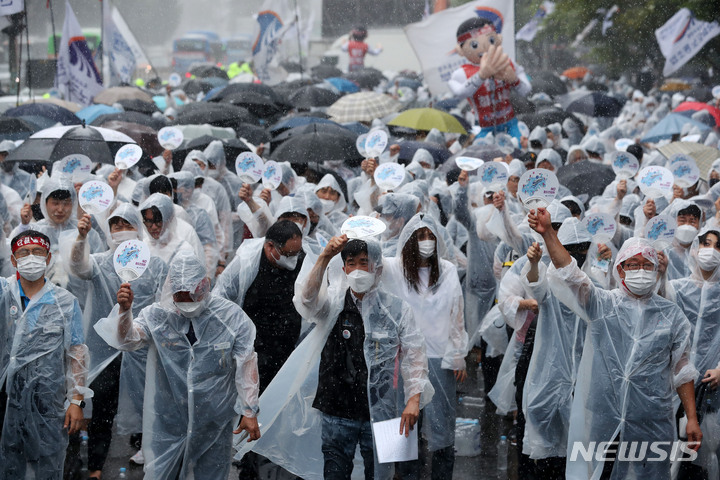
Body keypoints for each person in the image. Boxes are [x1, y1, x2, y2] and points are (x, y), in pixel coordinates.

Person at [528, 207, 702, 479]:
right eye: (633, 265)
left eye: (647, 265)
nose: (640, 271)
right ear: (620, 269)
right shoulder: (603, 304)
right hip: (605, 415)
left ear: (656, 270)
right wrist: (549, 232)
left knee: (651, 474)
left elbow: (682, 370)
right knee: (601, 472)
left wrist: (691, 417)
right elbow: (571, 274)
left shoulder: (672, 315)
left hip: (652, 418)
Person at [94, 251, 261, 480]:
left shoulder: (231, 317)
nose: (187, 303)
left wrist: (249, 410)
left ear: (205, 285)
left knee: (211, 473)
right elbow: (128, 341)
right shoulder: (158, 314)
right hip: (169, 417)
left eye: (193, 295)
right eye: (180, 296)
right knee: (162, 473)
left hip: (214, 417)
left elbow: (246, 363)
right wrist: (125, 312)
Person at [295, 235, 433, 480]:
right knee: (335, 472)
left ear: (377, 269)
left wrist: (413, 400)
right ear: (344, 268)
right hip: (337, 408)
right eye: (351, 263)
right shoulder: (333, 304)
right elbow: (306, 300)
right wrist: (325, 257)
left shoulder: (397, 309)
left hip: (385, 411)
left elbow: (415, 355)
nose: (358, 270)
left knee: (384, 474)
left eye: (364, 262)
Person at [68, 205, 168, 476]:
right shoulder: (100, 261)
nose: (121, 231)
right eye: (115, 226)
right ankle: (96, 466)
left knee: (148, 406)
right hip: (105, 349)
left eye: (127, 224)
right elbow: (78, 267)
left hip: (141, 348)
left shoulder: (156, 264)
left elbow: (164, 305)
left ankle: (155, 460)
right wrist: (81, 238)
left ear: (138, 227)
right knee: (101, 407)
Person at [382, 213, 467, 479]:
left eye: (431, 235)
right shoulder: (395, 269)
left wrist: (458, 354)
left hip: (438, 357)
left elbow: (457, 313)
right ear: (409, 240)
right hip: (402, 360)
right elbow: (369, 263)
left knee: (442, 429)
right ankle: (403, 475)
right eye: (420, 236)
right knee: (401, 426)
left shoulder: (448, 270)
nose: (427, 241)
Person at [0, 230, 91, 479]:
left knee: (48, 463)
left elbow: (77, 353)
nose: (31, 257)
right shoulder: (3, 293)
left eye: (38, 252)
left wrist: (76, 401)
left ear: (48, 257)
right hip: (4, 397)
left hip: (46, 402)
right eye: (24, 253)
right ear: (13, 259)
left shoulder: (64, 302)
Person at [213, 220, 305, 391]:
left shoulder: (300, 257)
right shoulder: (246, 263)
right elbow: (220, 300)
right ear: (270, 246)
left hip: (287, 344)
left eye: (296, 254)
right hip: (255, 347)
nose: (293, 260)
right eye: (287, 254)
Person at [669, 228, 720, 477]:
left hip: (712, 387)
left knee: (707, 452)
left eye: (717, 246)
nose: (710, 251)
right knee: (670, 450)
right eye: (706, 244)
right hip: (674, 383)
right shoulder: (676, 288)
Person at [448, 17, 531, 141]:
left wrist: (514, 79)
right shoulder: (461, 73)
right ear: (460, 49)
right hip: (482, 127)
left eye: (491, 40)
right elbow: (459, 93)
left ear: (498, 39)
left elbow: (526, 91)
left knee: (519, 148)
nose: (485, 48)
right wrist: (481, 76)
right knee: (483, 155)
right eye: (474, 44)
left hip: (510, 123)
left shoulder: (506, 62)